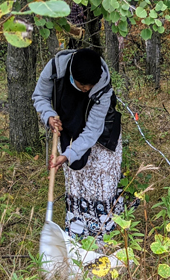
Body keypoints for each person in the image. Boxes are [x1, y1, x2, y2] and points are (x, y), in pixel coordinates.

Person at [32, 48, 124, 244]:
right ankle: (78, 235)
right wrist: (48, 115)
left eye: (91, 86)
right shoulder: (56, 69)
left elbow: (92, 130)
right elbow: (39, 96)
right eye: (83, 86)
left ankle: (102, 237)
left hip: (102, 137)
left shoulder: (103, 89)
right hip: (68, 127)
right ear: (72, 75)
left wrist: (69, 154)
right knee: (77, 183)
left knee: (101, 186)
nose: (87, 90)